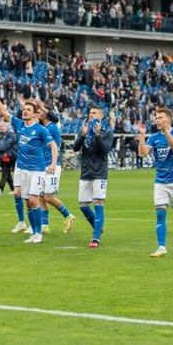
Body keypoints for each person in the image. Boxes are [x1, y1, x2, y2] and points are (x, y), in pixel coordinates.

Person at [0, 87, 58, 244]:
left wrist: (53, 164)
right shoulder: (20, 125)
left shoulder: (41, 130)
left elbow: (53, 146)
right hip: (21, 168)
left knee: (34, 201)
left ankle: (37, 233)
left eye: (28, 110)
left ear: (36, 114)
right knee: (27, 200)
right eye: (24, 109)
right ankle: (32, 230)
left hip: (37, 170)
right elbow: (3, 112)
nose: (25, 111)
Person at [138, 107, 173, 258]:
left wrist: (167, 132)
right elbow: (142, 153)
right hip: (160, 181)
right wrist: (142, 136)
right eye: (156, 118)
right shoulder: (154, 137)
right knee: (160, 213)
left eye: (160, 118)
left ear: (168, 119)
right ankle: (161, 246)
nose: (157, 120)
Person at [72, 105, 114, 248]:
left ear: (101, 116)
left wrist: (97, 136)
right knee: (83, 206)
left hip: (99, 172)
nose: (91, 115)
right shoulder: (84, 129)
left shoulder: (107, 131)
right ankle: (98, 227)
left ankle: (96, 238)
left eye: (94, 113)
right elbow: (75, 148)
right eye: (90, 113)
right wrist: (83, 136)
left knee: (98, 202)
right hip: (86, 172)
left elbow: (105, 150)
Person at [39, 107, 76, 234]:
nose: (37, 113)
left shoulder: (53, 126)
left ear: (46, 114)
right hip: (42, 164)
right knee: (41, 196)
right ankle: (44, 225)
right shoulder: (41, 127)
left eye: (39, 111)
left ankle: (68, 215)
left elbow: (54, 117)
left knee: (48, 197)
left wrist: (41, 106)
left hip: (52, 165)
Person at [0, 120, 16, 197]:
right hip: (2, 157)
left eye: (2, 126)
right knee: (7, 173)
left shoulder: (11, 134)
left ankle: (0, 188)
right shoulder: (1, 136)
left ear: (6, 126)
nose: (1, 128)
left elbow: (4, 145)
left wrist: (0, 145)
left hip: (9, 157)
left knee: (5, 173)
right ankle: (13, 188)